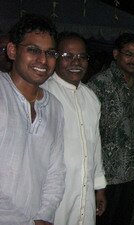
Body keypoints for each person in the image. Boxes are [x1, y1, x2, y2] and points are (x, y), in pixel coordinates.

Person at [0, 14, 66, 225]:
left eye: (50, 53)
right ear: (12, 51)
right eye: (33, 50)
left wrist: (44, 216)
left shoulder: (54, 107)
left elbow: (56, 170)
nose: (43, 60)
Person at [42, 32, 107, 225]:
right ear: (54, 57)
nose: (76, 62)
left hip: (85, 189)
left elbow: (95, 145)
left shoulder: (91, 97)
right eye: (67, 56)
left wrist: (100, 188)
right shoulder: (44, 93)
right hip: (54, 193)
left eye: (81, 56)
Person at [88, 33, 134, 225]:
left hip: (130, 169)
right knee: (104, 219)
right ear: (115, 54)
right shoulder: (99, 83)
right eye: (129, 54)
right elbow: (88, 128)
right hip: (106, 172)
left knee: (123, 219)